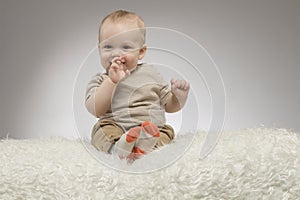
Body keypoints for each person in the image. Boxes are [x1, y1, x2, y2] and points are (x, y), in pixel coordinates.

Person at [85, 10, 190, 162]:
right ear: (99, 49)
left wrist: (179, 98)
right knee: (100, 130)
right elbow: (95, 110)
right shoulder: (101, 80)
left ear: (140, 52)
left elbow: (169, 106)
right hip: (116, 127)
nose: (116, 53)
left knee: (167, 131)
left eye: (125, 47)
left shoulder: (151, 74)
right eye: (108, 47)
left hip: (151, 127)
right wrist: (112, 82)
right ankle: (118, 148)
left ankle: (146, 147)